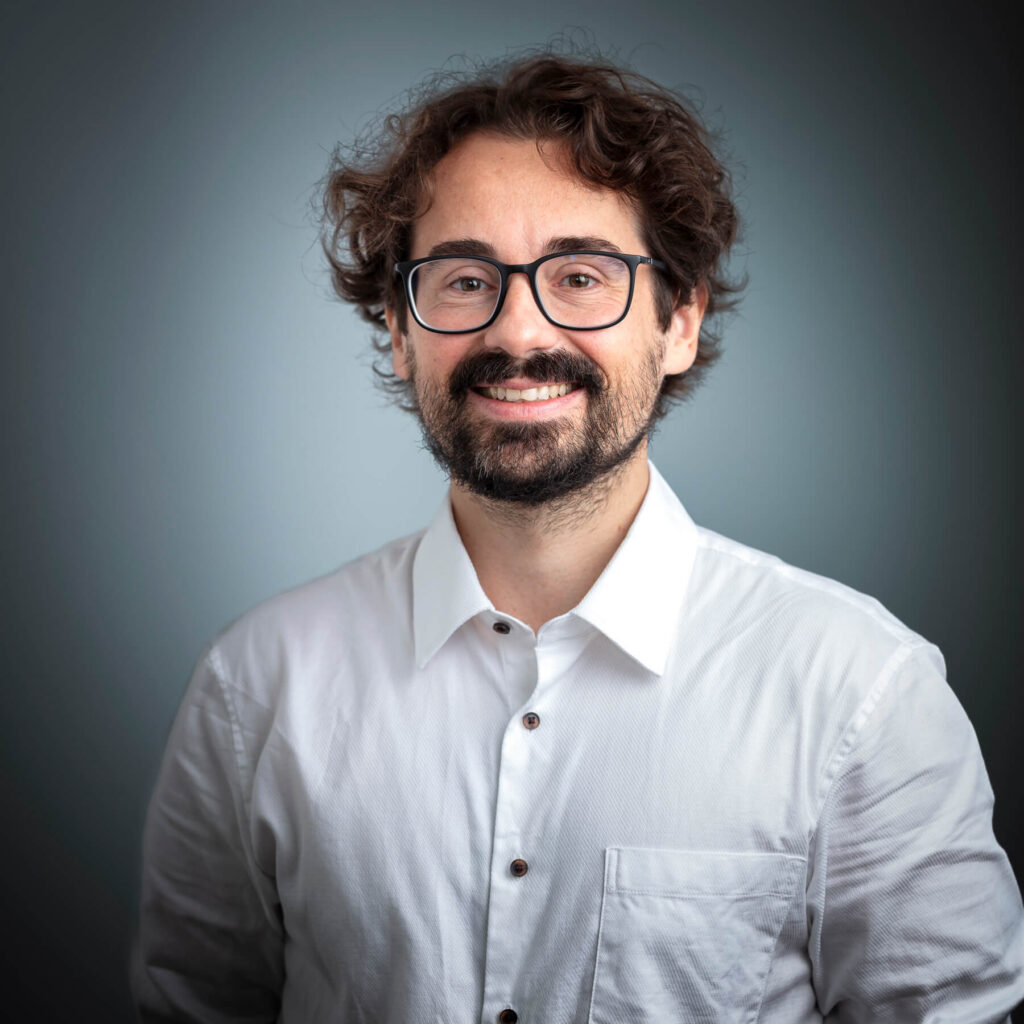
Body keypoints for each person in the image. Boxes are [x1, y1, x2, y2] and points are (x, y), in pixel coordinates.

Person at [132, 52, 1024, 1023]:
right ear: (398, 329)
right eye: (464, 279)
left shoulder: (861, 693)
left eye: (582, 276)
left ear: (679, 321)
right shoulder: (256, 686)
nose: (519, 333)